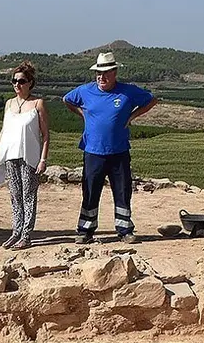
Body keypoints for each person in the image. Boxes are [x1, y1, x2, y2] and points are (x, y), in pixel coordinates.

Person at [63, 51, 157, 244]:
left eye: (106, 73)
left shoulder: (128, 91)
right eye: (98, 72)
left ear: (115, 73)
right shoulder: (84, 91)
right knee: (90, 191)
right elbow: (67, 100)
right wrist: (83, 114)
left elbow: (151, 100)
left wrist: (132, 116)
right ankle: (85, 230)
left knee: (122, 191)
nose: (101, 77)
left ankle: (124, 229)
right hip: (93, 151)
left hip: (119, 151)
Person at [0, 62, 50, 250]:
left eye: (21, 81)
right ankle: (16, 231)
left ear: (30, 83)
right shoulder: (9, 103)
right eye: (14, 81)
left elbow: (46, 134)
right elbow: (3, 132)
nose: (17, 84)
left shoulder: (37, 103)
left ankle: (26, 234)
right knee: (15, 195)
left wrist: (43, 159)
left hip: (29, 157)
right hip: (11, 156)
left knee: (28, 195)